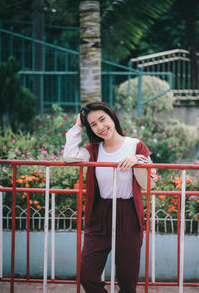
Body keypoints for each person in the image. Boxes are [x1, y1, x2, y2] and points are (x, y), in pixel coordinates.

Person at [63, 101, 157, 293]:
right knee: (87, 274)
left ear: (112, 117)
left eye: (102, 119)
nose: (100, 127)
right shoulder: (93, 150)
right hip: (100, 213)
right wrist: (77, 125)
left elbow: (152, 182)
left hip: (129, 212)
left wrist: (137, 160)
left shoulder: (135, 145)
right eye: (93, 124)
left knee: (127, 279)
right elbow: (69, 155)